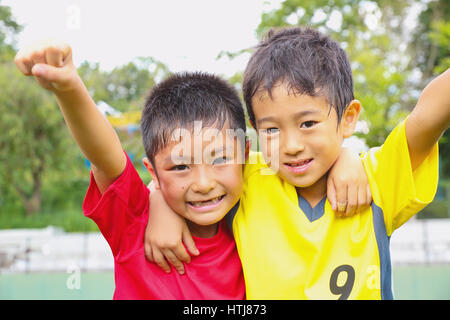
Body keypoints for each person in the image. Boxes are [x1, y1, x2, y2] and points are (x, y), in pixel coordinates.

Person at [145, 27, 449, 299]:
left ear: (348, 118)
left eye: (307, 123)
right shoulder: (247, 176)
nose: (291, 146)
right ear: (254, 127)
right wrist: (158, 202)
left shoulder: (376, 179)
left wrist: (348, 152)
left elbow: (429, 113)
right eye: (272, 129)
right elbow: (185, 171)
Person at [14, 40, 249, 299]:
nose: (203, 183)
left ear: (246, 155)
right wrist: (69, 89)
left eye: (219, 160)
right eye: (181, 166)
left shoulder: (259, 219)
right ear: (154, 173)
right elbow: (105, 156)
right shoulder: (135, 223)